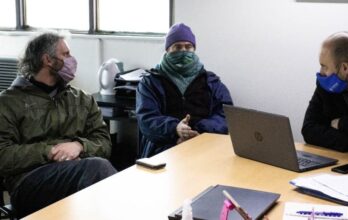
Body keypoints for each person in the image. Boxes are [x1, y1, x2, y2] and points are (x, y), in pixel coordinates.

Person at [0, 32, 117, 218]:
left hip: (78, 174)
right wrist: (50, 151)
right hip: (29, 184)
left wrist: (79, 145)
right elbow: (3, 155)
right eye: (66, 54)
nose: (72, 60)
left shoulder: (83, 99)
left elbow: (104, 142)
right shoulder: (8, 102)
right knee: (97, 169)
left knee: (101, 176)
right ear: (48, 59)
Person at [136, 23, 233, 158]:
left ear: (194, 49)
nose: (183, 51)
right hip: (163, 150)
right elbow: (146, 119)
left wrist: (199, 131)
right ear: (167, 50)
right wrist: (175, 128)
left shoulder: (211, 82)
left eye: (188, 47)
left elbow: (226, 114)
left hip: (206, 146)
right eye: (177, 47)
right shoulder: (150, 82)